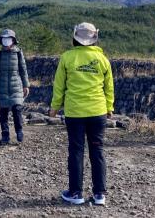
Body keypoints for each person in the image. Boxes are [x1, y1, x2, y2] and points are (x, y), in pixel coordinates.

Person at [50, 22, 114, 206]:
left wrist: (54, 108)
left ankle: (75, 193)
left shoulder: (67, 57)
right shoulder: (103, 60)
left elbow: (59, 86)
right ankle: (100, 194)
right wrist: (109, 107)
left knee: (76, 151)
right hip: (98, 111)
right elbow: (109, 87)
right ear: (94, 38)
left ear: (75, 37)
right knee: (97, 151)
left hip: (75, 112)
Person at [0, 29, 30, 145]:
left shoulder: (18, 53)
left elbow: (23, 70)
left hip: (16, 85)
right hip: (2, 86)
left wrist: (26, 85)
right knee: (3, 113)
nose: (6, 42)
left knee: (17, 110)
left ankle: (19, 131)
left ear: (13, 40)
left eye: (8, 39)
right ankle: (5, 136)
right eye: (4, 39)